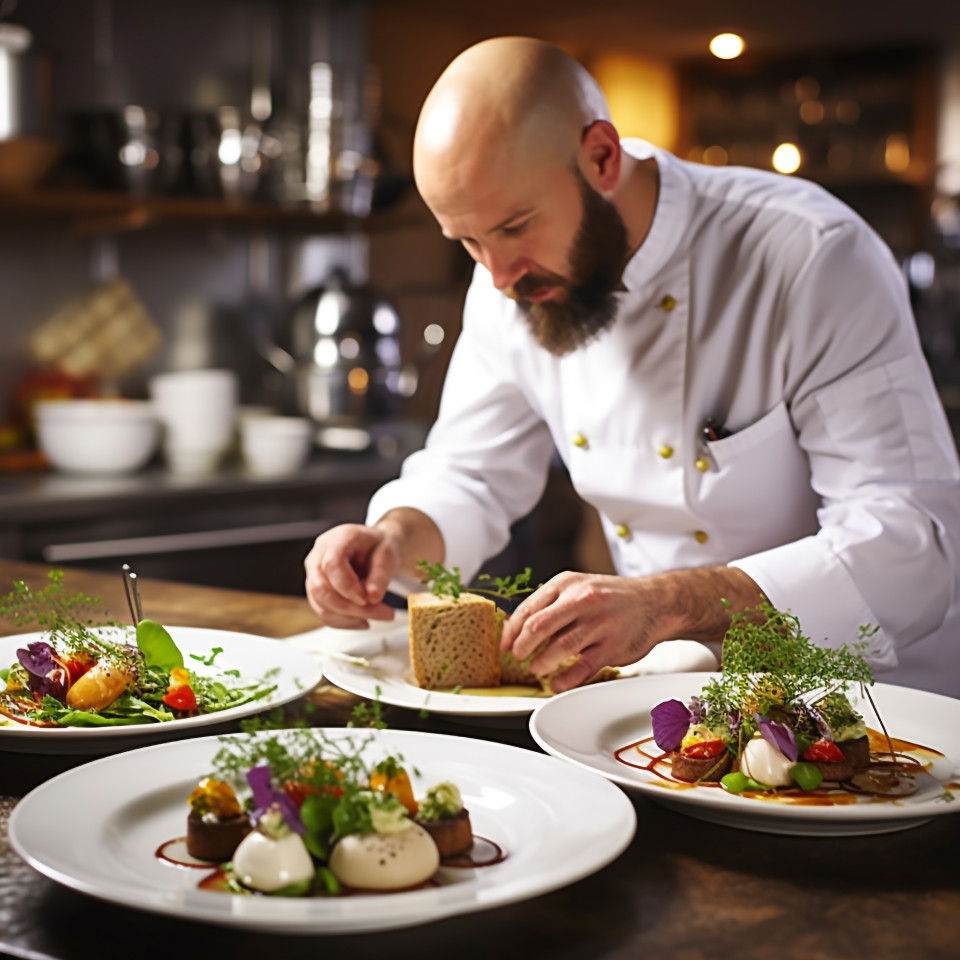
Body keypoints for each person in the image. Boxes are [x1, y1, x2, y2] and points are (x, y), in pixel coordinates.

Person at [305, 36, 960, 698]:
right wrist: (390, 540)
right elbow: (471, 473)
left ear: (602, 156)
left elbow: (910, 542)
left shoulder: (810, 255)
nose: (499, 276)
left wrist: (665, 604)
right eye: (469, 241)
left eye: (516, 225)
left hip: (870, 700)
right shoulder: (511, 280)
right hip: (666, 698)